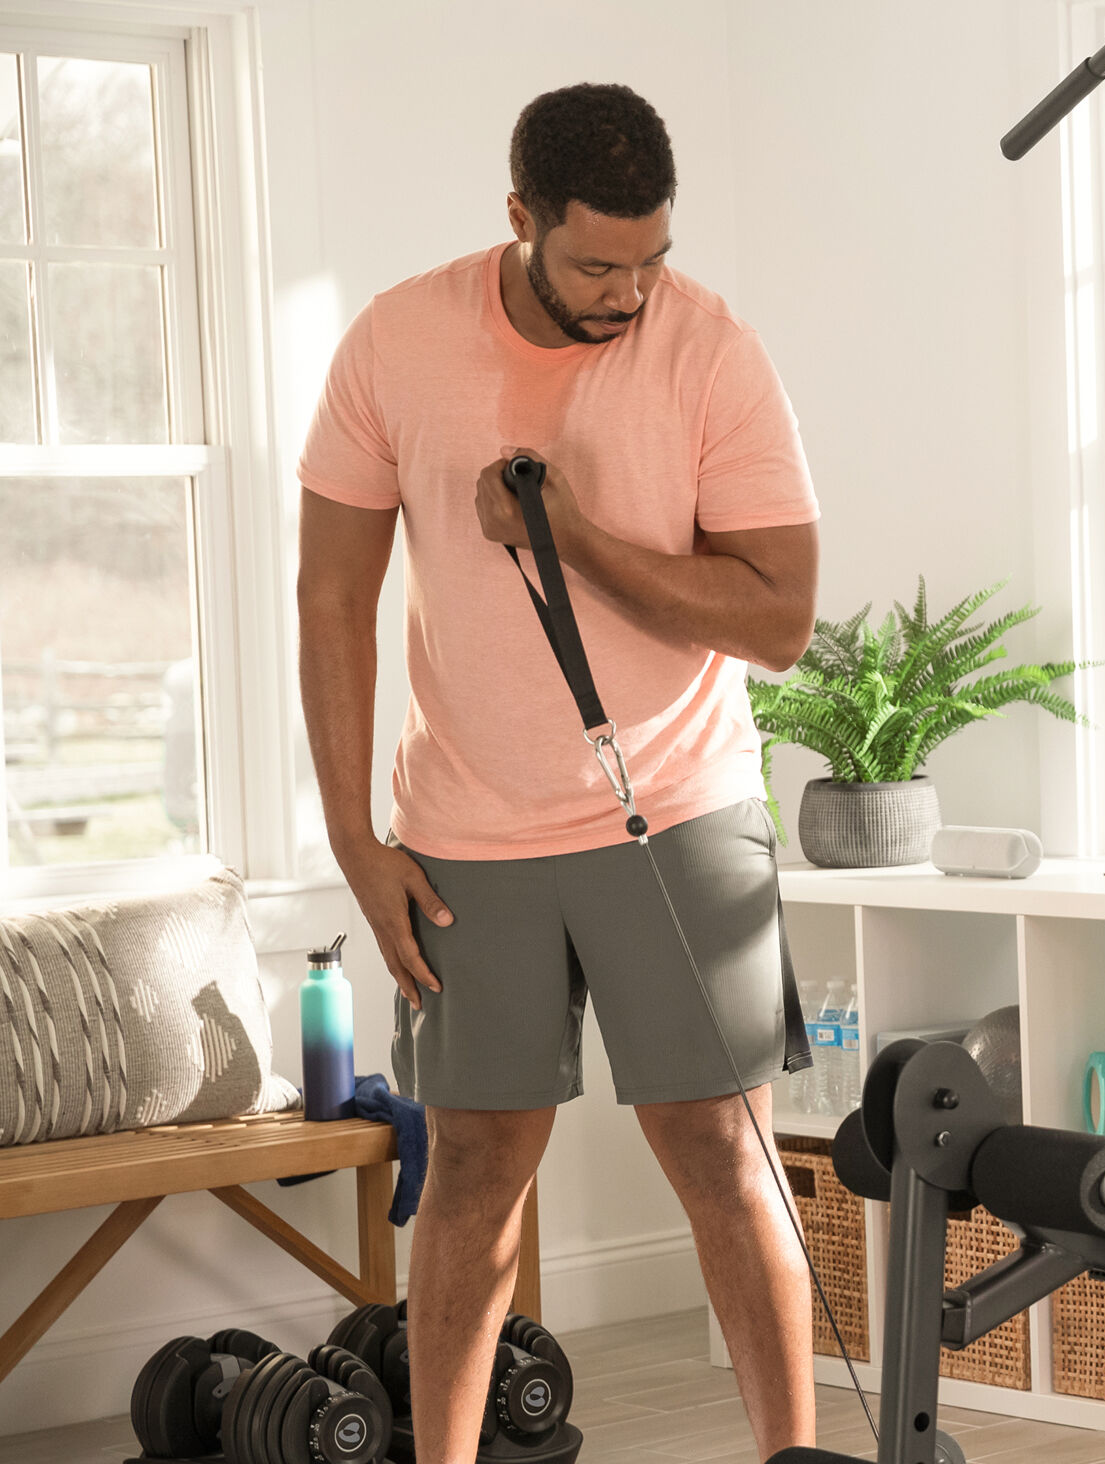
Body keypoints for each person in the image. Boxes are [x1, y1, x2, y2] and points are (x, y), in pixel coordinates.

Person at [296, 83, 823, 1461]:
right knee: (474, 1166)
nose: (629, 293)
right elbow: (331, 599)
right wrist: (354, 838)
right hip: (465, 830)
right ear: (520, 217)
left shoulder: (713, 352)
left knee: (725, 1156)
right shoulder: (396, 341)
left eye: (652, 259)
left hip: (681, 810)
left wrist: (574, 539)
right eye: (596, 264)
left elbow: (779, 619)